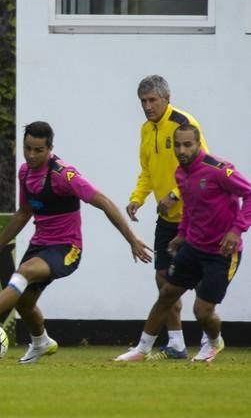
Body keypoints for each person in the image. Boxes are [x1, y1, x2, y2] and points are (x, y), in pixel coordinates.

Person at [0, 121, 152, 364]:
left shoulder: (64, 175)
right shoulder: (24, 172)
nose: (32, 155)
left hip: (67, 248)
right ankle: (41, 343)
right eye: (28, 148)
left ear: (50, 149)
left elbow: (103, 202)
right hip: (40, 245)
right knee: (24, 304)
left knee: (23, 272)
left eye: (39, 150)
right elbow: (24, 213)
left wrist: (132, 239)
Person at [115, 124, 250, 362]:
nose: (182, 150)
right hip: (194, 247)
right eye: (177, 145)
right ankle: (141, 349)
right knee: (166, 293)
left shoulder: (219, 170)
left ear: (198, 144)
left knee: (202, 311)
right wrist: (181, 234)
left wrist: (237, 230)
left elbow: (249, 194)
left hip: (222, 252)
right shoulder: (181, 173)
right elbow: (189, 207)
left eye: (187, 144)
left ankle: (215, 342)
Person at [126, 75, 209, 360]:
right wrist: (138, 198)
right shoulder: (146, 130)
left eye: (152, 100)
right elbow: (147, 170)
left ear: (166, 99)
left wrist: (174, 194)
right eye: (143, 101)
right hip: (167, 218)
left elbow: (201, 168)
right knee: (163, 279)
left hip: (194, 215)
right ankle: (176, 343)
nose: (148, 106)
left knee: (199, 282)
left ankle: (212, 338)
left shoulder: (185, 125)